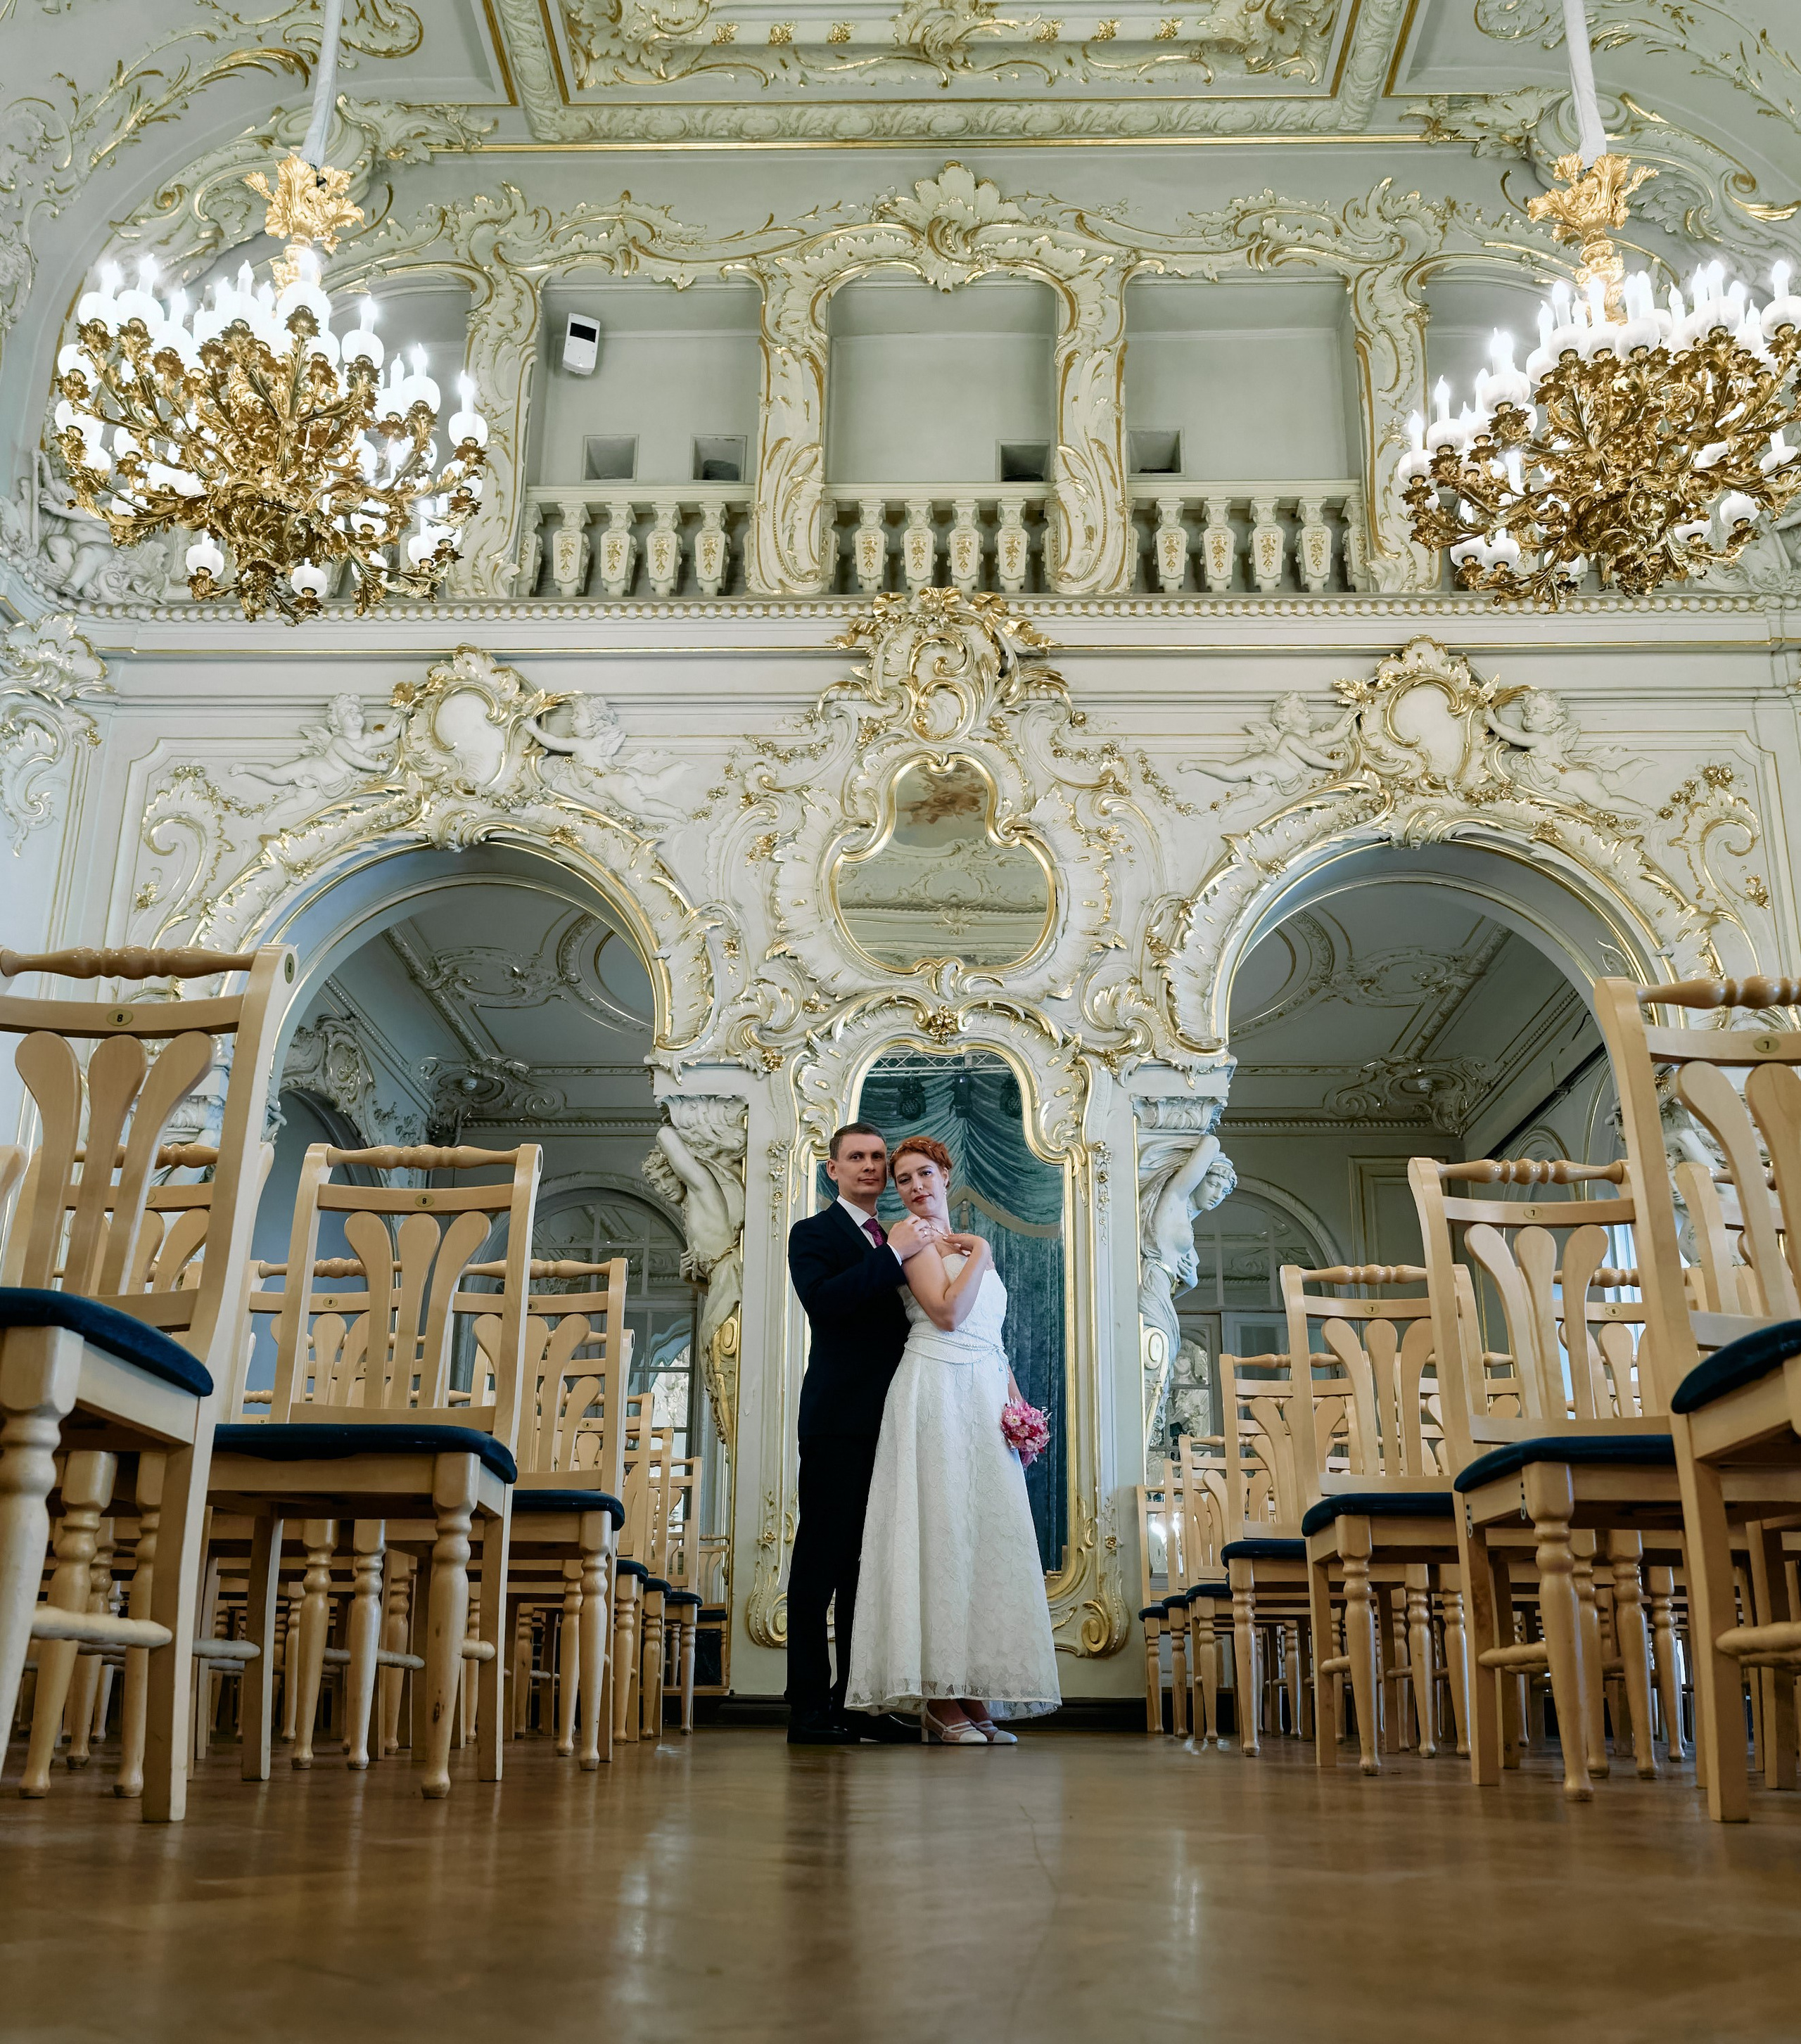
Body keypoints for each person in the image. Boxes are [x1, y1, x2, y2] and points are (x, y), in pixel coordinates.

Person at [845, 1134, 1061, 1743]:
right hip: (936, 1390)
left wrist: (1016, 1400)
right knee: (941, 1535)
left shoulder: (960, 1243)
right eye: (903, 1179)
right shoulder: (910, 1241)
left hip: (984, 1391)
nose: (914, 1187)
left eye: (923, 1175)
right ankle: (939, 1703)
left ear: (946, 1175)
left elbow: (988, 1333)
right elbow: (946, 1313)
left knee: (980, 1538)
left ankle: (973, 1694)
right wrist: (985, 1253)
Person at [784, 1122, 933, 1746]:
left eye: (878, 1157)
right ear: (833, 1169)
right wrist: (891, 1256)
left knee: (868, 1569)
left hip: (899, 1422)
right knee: (821, 1563)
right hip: (838, 1420)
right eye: (858, 1158)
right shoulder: (813, 1234)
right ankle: (809, 1711)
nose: (871, 1167)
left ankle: (858, 1703)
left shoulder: (906, 1237)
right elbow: (826, 1302)